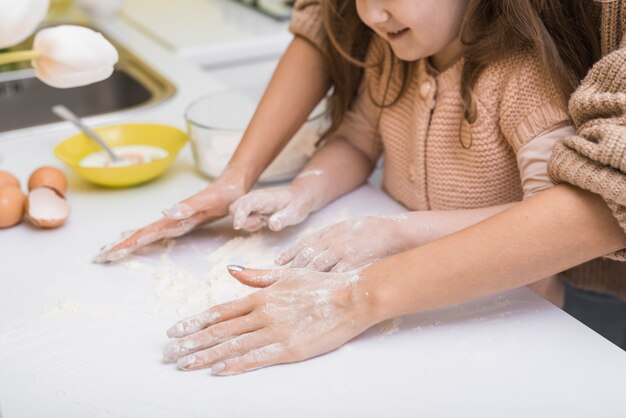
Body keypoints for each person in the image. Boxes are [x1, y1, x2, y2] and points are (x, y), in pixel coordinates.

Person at [96, 0, 626, 373]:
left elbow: (546, 216)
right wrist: (300, 192)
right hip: (410, 298)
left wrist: (396, 232)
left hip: (508, 307)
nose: (370, 14)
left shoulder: (525, 80)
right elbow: (354, 142)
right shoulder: (389, 55)